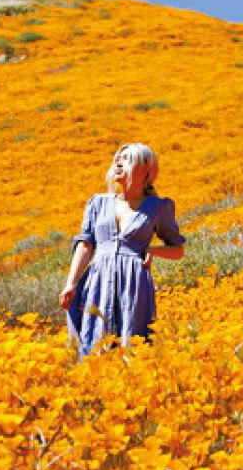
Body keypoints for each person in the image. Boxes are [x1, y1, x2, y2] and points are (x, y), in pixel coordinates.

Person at [60, 143, 186, 357]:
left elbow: (178, 250)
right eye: (116, 159)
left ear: (146, 170)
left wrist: (153, 251)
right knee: (95, 342)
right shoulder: (97, 203)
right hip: (98, 282)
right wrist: (70, 283)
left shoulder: (158, 207)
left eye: (126, 159)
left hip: (134, 284)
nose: (118, 164)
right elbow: (85, 245)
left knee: (133, 345)